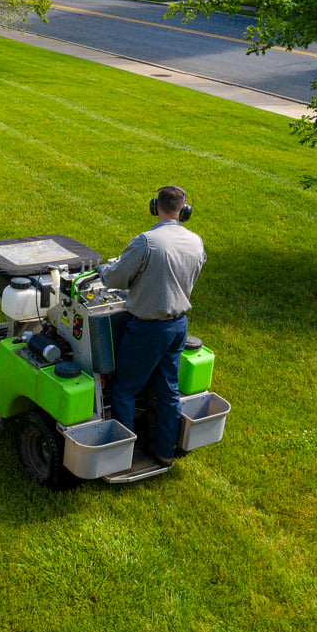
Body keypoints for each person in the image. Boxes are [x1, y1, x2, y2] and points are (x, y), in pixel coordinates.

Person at [98, 186, 206, 467]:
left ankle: (121, 458)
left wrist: (104, 270)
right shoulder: (196, 241)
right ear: (184, 211)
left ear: (154, 206)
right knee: (168, 389)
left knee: (124, 389)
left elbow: (115, 280)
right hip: (178, 325)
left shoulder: (146, 242)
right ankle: (164, 451)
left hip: (147, 328)